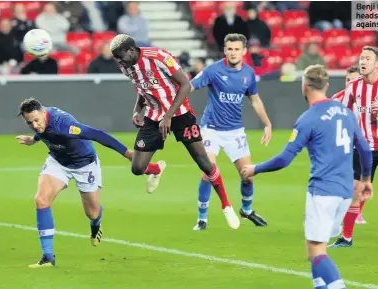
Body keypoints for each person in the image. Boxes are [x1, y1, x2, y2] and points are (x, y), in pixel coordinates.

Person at [241, 64, 373, 289]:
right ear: (327, 85)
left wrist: (255, 169)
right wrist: (366, 180)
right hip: (344, 192)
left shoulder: (308, 118)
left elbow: (284, 159)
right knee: (315, 247)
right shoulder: (346, 112)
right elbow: (365, 149)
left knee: (316, 250)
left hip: (322, 191)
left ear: (304, 86)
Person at [110, 34, 240, 229]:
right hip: (154, 117)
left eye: (120, 56)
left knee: (204, 162)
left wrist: (169, 116)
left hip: (179, 114)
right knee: (137, 168)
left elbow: (186, 84)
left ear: (131, 50)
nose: (119, 61)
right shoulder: (126, 67)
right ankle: (156, 169)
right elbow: (142, 87)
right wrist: (137, 110)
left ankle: (226, 205)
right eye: (116, 58)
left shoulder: (159, 56)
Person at [16, 98, 160, 268]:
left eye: (36, 120)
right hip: (58, 161)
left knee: (92, 213)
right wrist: (34, 140)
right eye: (29, 122)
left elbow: (97, 134)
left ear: (43, 113)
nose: (34, 125)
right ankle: (48, 257)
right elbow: (42, 130)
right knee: (41, 200)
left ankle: (96, 224)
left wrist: (128, 154)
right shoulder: (40, 116)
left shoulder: (65, 125)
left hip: (84, 163)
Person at [329, 46, 378, 250]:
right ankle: (346, 237)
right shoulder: (354, 86)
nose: (362, 61)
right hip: (363, 147)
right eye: (361, 58)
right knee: (356, 190)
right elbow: (344, 109)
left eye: (367, 58)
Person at [190, 33, 272, 230]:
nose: (233, 53)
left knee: (248, 175)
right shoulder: (213, 70)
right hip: (211, 129)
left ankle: (246, 209)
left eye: (237, 49)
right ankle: (202, 218)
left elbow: (254, 99)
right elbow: (190, 86)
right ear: (224, 50)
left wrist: (267, 124)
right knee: (208, 171)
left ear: (244, 51)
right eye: (230, 49)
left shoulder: (249, 74)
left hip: (235, 131)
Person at [332, 66, 367, 225]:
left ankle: (357, 213)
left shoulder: (368, 99)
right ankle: (338, 212)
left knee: (361, 183)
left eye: (354, 80)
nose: (350, 83)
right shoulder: (337, 100)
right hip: (341, 148)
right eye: (348, 80)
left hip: (362, 147)